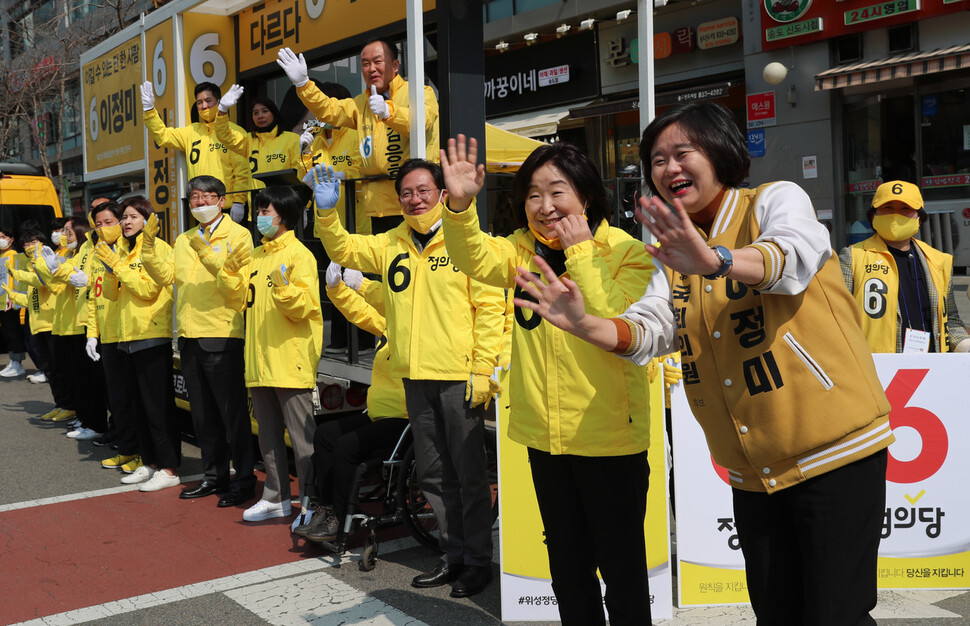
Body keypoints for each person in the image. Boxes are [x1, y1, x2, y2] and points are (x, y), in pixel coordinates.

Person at [514, 101, 894, 625]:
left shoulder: (774, 200)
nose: (668, 169)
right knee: (777, 612)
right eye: (656, 160)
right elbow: (649, 329)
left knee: (836, 613)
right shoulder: (669, 253)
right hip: (754, 470)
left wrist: (716, 260)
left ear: (719, 153)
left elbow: (792, 259)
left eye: (681, 153)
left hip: (833, 452)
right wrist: (586, 326)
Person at [439, 137, 656, 623]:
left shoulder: (628, 251)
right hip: (546, 440)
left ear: (586, 195)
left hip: (611, 442)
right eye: (533, 195)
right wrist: (458, 205)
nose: (544, 206)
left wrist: (580, 253)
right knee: (567, 569)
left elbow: (615, 324)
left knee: (622, 573)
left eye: (557, 192)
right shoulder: (520, 251)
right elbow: (471, 256)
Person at [306, 160, 505, 598]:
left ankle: (477, 562)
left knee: (470, 475)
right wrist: (326, 213)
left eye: (423, 190)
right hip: (414, 379)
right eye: (407, 193)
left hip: (459, 379)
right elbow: (342, 248)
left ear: (441, 192)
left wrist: (484, 369)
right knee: (433, 476)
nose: (415, 199)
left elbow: (492, 311)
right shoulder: (391, 243)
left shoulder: (470, 243)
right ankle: (452, 556)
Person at [140, 175, 257, 505]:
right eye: (194, 198)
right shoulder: (184, 238)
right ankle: (214, 476)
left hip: (221, 333)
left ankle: (244, 479)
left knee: (232, 415)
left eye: (207, 197)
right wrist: (148, 248)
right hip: (189, 336)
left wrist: (208, 252)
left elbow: (236, 282)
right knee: (203, 415)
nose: (200, 203)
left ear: (221, 200)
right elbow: (166, 277)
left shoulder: (239, 235)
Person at [218, 185, 322, 523]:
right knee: (268, 437)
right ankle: (276, 497)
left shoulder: (300, 255)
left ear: (285, 216)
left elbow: (304, 308)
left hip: (290, 361)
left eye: (266, 211)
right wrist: (229, 271)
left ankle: (310, 503)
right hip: (260, 362)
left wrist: (284, 288)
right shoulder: (258, 256)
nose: (260, 217)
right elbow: (238, 302)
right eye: (259, 211)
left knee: (303, 445)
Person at [295, 262, 409, 543]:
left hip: (406, 419)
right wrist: (335, 290)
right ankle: (326, 506)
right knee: (324, 435)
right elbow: (360, 313)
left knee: (346, 446)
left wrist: (364, 286)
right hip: (379, 414)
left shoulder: (416, 335)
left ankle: (340, 513)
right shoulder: (389, 327)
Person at [277, 39, 439, 233]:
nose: (371, 68)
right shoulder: (361, 103)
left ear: (395, 65)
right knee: (388, 262)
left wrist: (389, 112)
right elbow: (330, 110)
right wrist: (304, 85)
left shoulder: (419, 92)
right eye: (365, 63)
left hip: (416, 203)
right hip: (378, 206)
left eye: (378, 61)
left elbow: (423, 122)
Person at [94, 197, 180, 490]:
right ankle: (149, 462)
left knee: (158, 407)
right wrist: (110, 268)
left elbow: (146, 289)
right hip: (127, 337)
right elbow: (111, 295)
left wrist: (117, 265)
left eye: (132, 217)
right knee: (139, 406)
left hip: (151, 334)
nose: (125, 223)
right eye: (123, 218)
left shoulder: (158, 248)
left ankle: (168, 468)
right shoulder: (123, 251)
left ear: (148, 219)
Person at [839, 180, 970, 353]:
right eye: (887, 208)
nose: (895, 215)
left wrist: (963, 345)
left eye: (905, 209)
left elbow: (950, 319)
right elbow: (838, 317)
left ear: (920, 218)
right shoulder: (852, 257)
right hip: (876, 368)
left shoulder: (939, 261)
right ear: (873, 215)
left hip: (931, 368)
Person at [35, 219, 109, 440]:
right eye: (62, 231)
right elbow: (57, 283)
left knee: (89, 382)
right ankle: (87, 420)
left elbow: (61, 282)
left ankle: (95, 423)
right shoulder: (72, 254)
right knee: (77, 379)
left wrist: (54, 268)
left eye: (68, 231)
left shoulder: (85, 252)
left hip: (82, 325)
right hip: (68, 324)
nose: (64, 235)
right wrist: (47, 265)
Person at [141, 81, 252, 222]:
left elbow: (241, 171)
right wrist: (149, 110)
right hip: (199, 208)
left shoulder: (234, 132)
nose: (204, 106)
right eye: (199, 102)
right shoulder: (191, 131)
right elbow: (163, 136)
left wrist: (239, 201)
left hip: (226, 207)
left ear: (219, 101)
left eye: (208, 100)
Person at [86, 201, 141, 457]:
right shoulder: (98, 252)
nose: (103, 228)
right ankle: (125, 445)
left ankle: (136, 448)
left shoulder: (128, 248)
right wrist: (91, 334)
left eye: (108, 222)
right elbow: (93, 297)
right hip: (107, 334)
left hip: (128, 333)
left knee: (132, 397)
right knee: (117, 396)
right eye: (98, 224)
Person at [214, 88, 302, 188]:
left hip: (284, 200)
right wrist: (222, 110)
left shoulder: (292, 139)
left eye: (265, 111)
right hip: (258, 200)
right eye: (255, 113)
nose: (260, 116)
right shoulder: (248, 140)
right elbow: (224, 135)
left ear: (274, 114)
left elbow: (300, 173)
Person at [0, 227, 27, 378]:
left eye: (3, 236)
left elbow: (14, 279)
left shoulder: (13, 256)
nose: (1, 240)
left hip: (10, 300)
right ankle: (13, 361)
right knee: (7, 332)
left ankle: (17, 363)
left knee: (13, 331)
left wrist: (11, 297)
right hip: (2, 299)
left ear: (11, 239)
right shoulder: (2, 256)